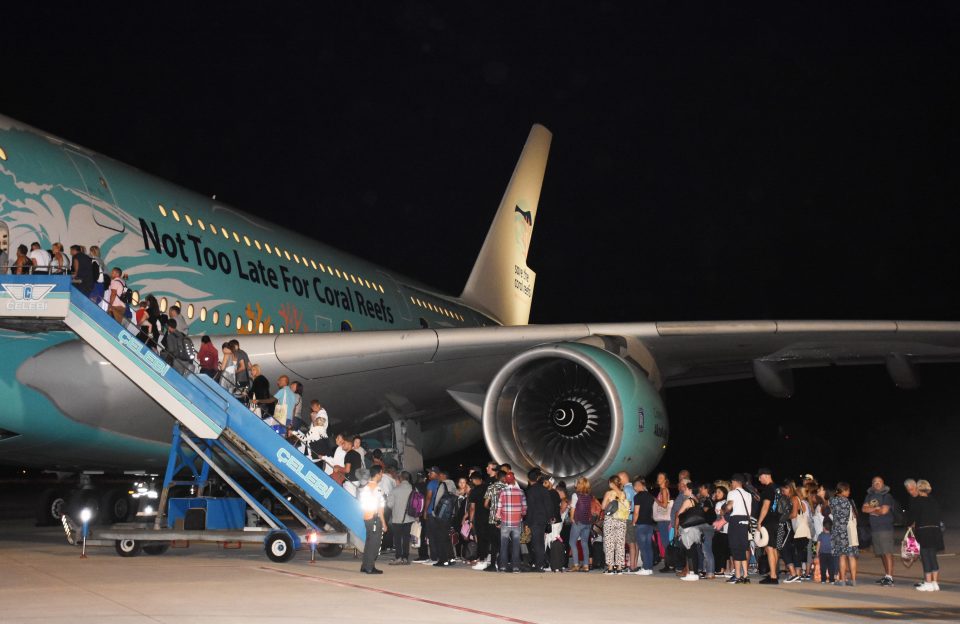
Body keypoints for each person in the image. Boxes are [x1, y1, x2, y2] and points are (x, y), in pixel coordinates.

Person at [862, 476, 896, 587]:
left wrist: (872, 510)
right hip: (875, 528)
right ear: (872, 485)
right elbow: (864, 509)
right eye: (874, 482)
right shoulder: (869, 496)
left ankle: (890, 577)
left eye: (879, 482)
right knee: (881, 553)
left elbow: (884, 511)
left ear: (883, 484)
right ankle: (886, 576)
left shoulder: (887, 496)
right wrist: (877, 509)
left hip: (885, 528)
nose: (877, 484)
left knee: (887, 553)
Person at [912, 479, 943, 592]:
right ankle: (935, 583)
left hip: (924, 531)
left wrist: (910, 524)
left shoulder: (918, 501)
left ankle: (928, 583)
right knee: (933, 556)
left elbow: (913, 517)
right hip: (935, 531)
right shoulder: (933, 501)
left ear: (919, 488)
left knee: (925, 557)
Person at [724, 473, 753, 584]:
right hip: (745, 520)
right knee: (743, 547)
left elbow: (729, 506)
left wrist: (724, 509)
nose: (731, 484)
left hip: (736, 520)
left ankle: (737, 575)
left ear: (735, 482)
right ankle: (745, 575)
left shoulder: (732, 493)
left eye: (731, 482)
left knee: (735, 548)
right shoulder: (748, 494)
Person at [358, 467, 387, 574]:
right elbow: (379, 507)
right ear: (378, 474)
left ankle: (365, 565)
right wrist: (384, 522)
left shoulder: (366, 487)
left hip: (367, 517)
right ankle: (370, 567)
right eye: (381, 473)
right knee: (374, 544)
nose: (382, 475)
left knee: (369, 543)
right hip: (375, 518)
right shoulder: (377, 489)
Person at [496, 472, 526, 573]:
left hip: (505, 522)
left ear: (506, 481)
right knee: (516, 545)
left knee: (503, 545)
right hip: (517, 522)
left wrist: (498, 517)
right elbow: (525, 508)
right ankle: (515, 567)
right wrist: (521, 514)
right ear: (514, 480)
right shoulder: (521, 492)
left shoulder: (502, 492)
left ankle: (503, 567)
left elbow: (499, 507)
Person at [830, 482, 859, 586]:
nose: (849, 492)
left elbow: (832, 514)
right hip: (849, 531)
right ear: (843, 490)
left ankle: (842, 580)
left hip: (839, 531)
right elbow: (855, 516)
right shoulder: (849, 502)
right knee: (851, 556)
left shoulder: (832, 501)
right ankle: (854, 580)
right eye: (848, 490)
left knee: (842, 556)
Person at [524, 468, 553, 571]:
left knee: (537, 544)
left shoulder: (531, 491)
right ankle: (540, 563)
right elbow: (549, 505)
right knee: (540, 542)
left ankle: (539, 565)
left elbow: (530, 508)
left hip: (534, 520)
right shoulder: (544, 490)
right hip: (543, 520)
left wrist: (527, 522)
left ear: (529, 479)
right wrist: (549, 518)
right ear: (537, 478)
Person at [756, 468, 780, 584]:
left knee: (769, 548)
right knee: (774, 548)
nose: (759, 480)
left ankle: (773, 576)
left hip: (769, 521)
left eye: (760, 477)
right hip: (778, 521)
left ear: (765, 475)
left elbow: (766, 507)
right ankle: (773, 573)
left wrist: (759, 522)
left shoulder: (768, 489)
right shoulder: (778, 489)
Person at [601, 475, 629, 575]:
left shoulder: (609, 493)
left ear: (612, 483)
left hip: (610, 520)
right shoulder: (623, 494)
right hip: (621, 520)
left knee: (609, 544)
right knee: (620, 544)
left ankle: (610, 568)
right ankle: (620, 568)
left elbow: (603, 507)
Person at [387, 470, 416, 565]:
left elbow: (390, 504)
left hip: (397, 518)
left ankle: (398, 557)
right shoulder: (414, 489)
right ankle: (405, 557)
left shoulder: (395, 490)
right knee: (406, 538)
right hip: (410, 518)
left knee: (398, 538)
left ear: (401, 478)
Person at [483, 469, 509, 571]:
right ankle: (503, 564)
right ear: (503, 478)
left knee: (494, 543)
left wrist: (492, 509)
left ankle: (493, 565)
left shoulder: (491, 487)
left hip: (493, 519)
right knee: (503, 543)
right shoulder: (507, 488)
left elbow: (485, 504)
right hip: (505, 519)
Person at [568, 477, 594, 572]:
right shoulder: (589, 495)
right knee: (584, 543)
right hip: (587, 522)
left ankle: (576, 564)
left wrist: (571, 518)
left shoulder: (576, 495)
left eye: (577, 482)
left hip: (578, 521)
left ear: (580, 484)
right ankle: (586, 565)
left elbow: (573, 508)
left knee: (572, 542)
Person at [777, 480, 802, 583]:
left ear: (791, 488)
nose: (783, 491)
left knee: (782, 548)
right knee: (790, 550)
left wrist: (782, 518)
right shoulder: (789, 498)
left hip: (793, 527)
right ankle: (796, 575)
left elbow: (794, 514)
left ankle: (793, 574)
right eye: (782, 489)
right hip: (793, 527)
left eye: (785, 489)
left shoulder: (794, 498)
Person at [632, 477, 656, 575]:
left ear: (638, 486)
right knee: (648, 546)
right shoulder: (650, 496)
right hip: (649, 524)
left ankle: (645, 568)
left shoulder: (637, 496)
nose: (634, 489)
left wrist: (634, 522)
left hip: (641, 524)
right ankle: (649, 568)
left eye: (634, 487)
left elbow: (636, 512)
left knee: (643, 547)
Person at [467, 471, 490, 568]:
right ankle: (490, 558)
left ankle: (482, 559)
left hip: (480, 518)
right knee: (489, 538)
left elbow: (472, 508)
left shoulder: (474, 491)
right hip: (490, 517)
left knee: (481, 539)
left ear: (475, 480)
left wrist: (471, 521)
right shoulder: (489, 487)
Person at [653, 472, 673, 572]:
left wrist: (655, 500)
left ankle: (668, 565)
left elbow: (665, 505)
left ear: (665, 480)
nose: (658, 478)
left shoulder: (664, 490)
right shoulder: (662, 490)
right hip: (663, 519)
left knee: (665, 542)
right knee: (664, 541)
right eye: (658, 477)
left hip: (664, 520)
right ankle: (668, 564)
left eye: (661, 477)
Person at [712, 485, 730, 576]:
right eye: (716, 492)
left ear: (724, 493)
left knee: (718, 550)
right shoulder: (727, 502)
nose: (716, 494)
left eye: (719, 492)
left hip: (720, 530)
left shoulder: (720, 504)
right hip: (727, 530)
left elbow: (719, 517)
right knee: (724, 550)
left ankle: (720, 569)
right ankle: (722, 569)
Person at [817, 518, 837, 584]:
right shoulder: (833, 536)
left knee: (823, 567)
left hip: (822, 554)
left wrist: (817, 552)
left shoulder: (820, 535)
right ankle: (832, 580)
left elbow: (818, 544)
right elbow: (834, 544)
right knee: (831, 567)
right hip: (831, 553)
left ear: (824, 527)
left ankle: (823, 579)